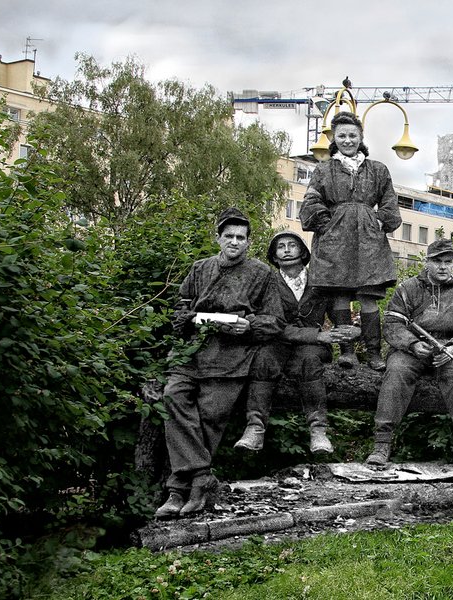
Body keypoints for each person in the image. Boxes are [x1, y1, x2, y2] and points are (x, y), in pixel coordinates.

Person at [154, 208, 284, 519]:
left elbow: (275, 321)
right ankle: (200, 478)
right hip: (192, 354)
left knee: (211, 414)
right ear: (219, 239)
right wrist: (189, 319)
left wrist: (249, 326)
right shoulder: (199, 269)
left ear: (248, 242)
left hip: (232, 357)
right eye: (229, 236)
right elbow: (179, 309)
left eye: (241, 237)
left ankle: (178, 490)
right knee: (172, 397)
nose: (235, 242)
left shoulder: (261, 274)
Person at [234, 232, 359, 454]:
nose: (287, 250)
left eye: (293, 245)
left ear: (303, 251)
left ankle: (318, 431)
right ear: (274, 255)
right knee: (263, 360)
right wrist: (316, 335)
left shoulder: (319, 281)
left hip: (312, 347)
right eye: (280, 247)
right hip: (277, 341)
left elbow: (339, 315)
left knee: (309, 361)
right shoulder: (267, 281)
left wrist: (346, 344)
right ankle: (254, 428)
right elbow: (270, 323)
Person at [365, 239, 453, 477]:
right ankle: (382, 444)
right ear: (427, 262)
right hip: (411, 350)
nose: (443, 267)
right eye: (437, 261)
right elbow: (393, 324)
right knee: (396, 370)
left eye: (448, 262)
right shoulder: (408, 288)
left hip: (449, 350)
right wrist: (413, 344)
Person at [299, 111, 403, 371]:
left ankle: (373, 353)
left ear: (361, 137)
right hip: (334, 243)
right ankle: (346, 352)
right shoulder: (324, 170)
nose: (347, 140)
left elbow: (390, 202)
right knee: (340, 297)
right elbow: (311, 202)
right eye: (342, 136)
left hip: (369, 242)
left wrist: (379, 221)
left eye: (352, 135)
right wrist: (329, 225)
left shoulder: (378, 169)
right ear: (334, 138)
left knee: (369, 298)